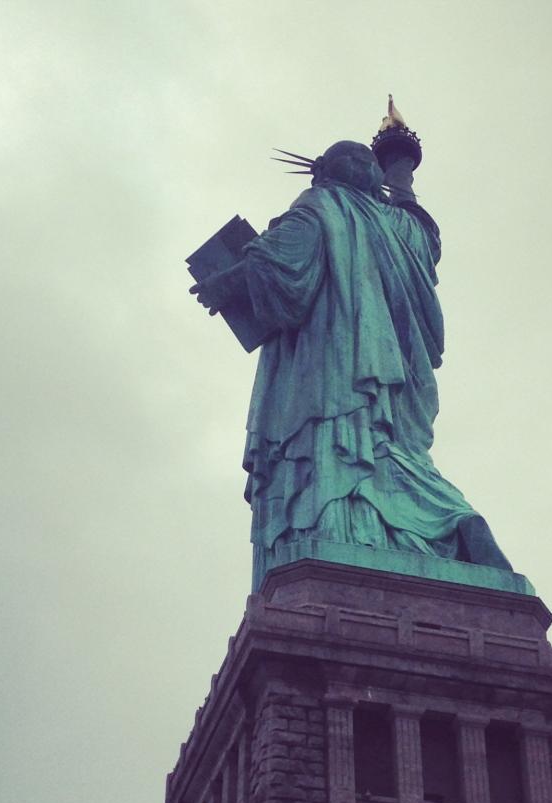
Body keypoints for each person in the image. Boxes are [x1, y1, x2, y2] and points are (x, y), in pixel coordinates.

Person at [190, 125, 513, 590]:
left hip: (329, 370)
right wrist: (401, 174)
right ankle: (451, 523)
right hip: (388, 379)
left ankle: (341, 537)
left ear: (325, 174)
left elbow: (279, 266)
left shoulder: (320, 206)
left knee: (336, 450)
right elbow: (426, 234)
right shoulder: (399, 226)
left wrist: (225, 282)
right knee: (385, 454)